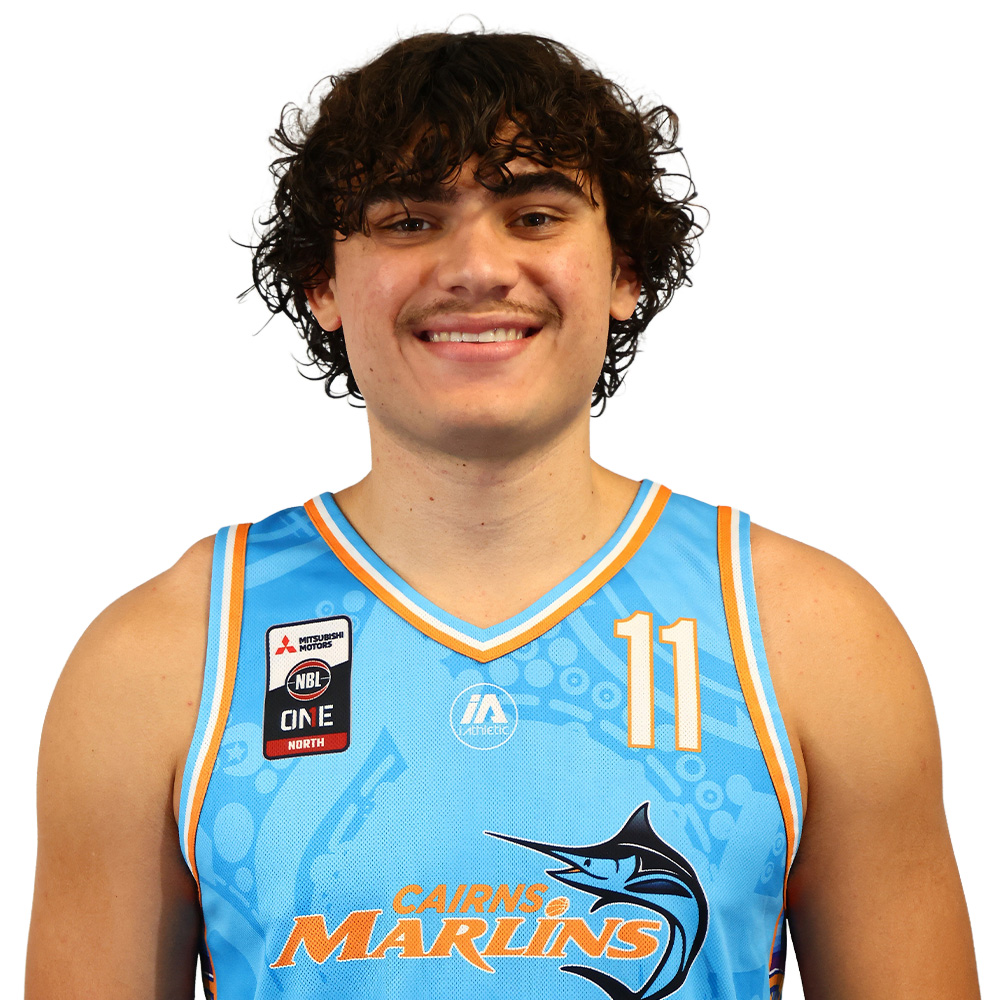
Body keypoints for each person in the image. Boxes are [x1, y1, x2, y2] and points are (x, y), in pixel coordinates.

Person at [26, 29, 979, 1000]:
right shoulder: (161, 657)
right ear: (322, 280)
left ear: (623, 269)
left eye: (532, 215)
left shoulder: (810, 634)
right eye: (407, 220)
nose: (477, 265)